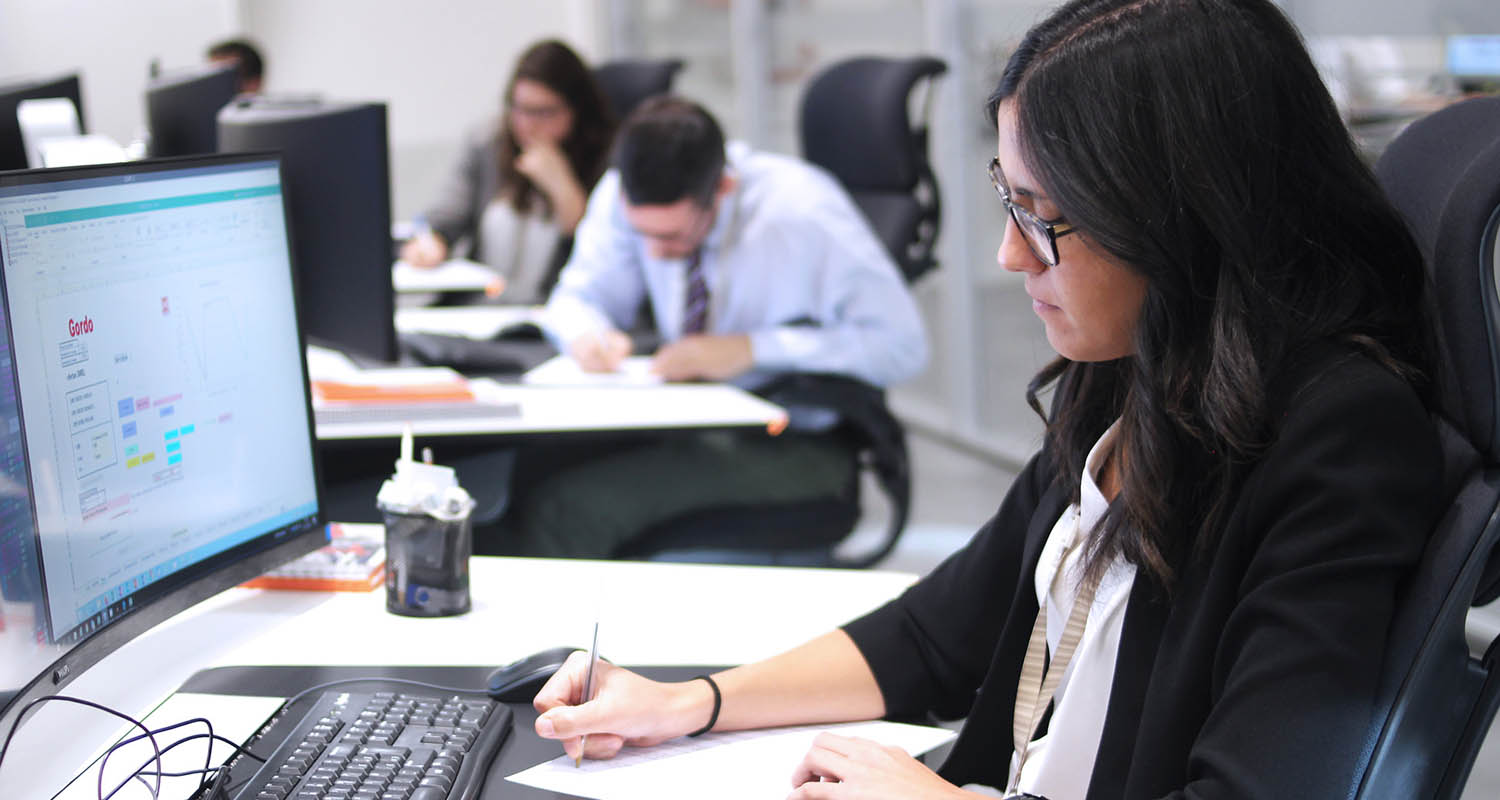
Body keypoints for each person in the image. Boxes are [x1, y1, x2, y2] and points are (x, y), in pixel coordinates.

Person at [525, 1, 1447, 797]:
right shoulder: (1132, 373)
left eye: (1045, 219)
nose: (1012, 256)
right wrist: (687, 704)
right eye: (1010, 201)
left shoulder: (1334, 434)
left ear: (1183, 217)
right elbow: (936, 634)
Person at [496, 95, 927, 559]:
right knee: (521, 470)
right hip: (690, 419)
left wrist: (753, 349)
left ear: (722, 188)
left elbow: (902, 345)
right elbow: (577, 297)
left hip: (795, 437)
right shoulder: (626, 194)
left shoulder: (802, 214)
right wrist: (588, 334)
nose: (655, 253)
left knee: (569, 508)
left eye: (672, 237)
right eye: (643, 235)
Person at [401, 40, 615, 305]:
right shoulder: (488, 144)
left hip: (548, 313)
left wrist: (561, 185)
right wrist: (432, 239)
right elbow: (447, 215)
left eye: (544, 112)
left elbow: (598, 253)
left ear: (577, 111)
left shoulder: (608, 158)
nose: (528, 124)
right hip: (479, 309)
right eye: (520, 108)